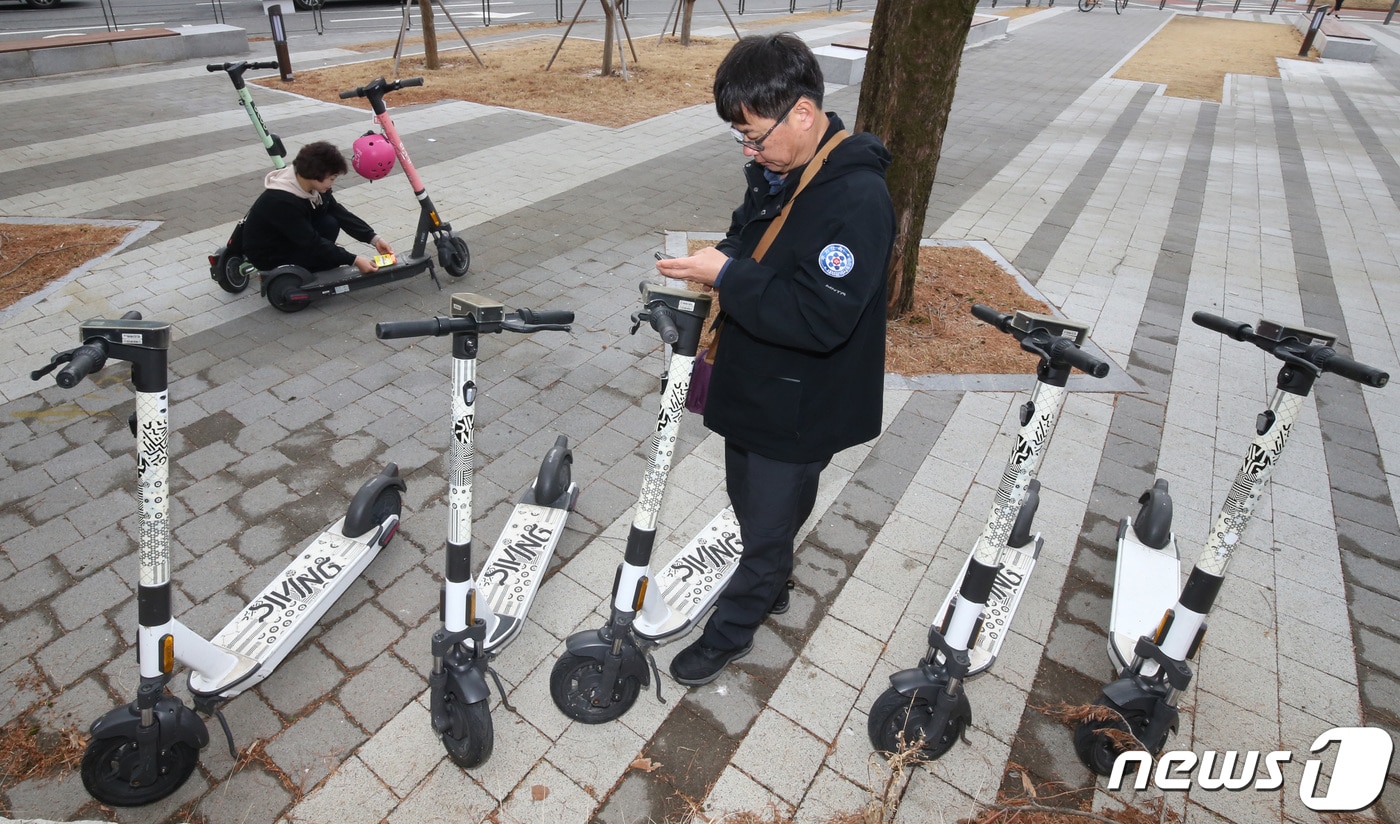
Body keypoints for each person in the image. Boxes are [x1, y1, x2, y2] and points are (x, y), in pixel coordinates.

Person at [655, 33, 895, 686]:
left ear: (804, 113)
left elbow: (820, 317)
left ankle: (732, 630)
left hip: (799, 404)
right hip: (759, 386)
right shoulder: (781, 170)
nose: (749, 151)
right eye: (741, 138)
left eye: (754, 136)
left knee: (762, 529)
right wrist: (719, 262)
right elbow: (747, 233)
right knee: (756, 505)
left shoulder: (857, 200)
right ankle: (773, 574)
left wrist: (728, 277)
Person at [241, 140, 393, 274]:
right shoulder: (282, 201)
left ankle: (317, 260)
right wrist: (354, 260)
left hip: (288, 237)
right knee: (329, 260)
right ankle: (283, 272)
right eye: (332, 178)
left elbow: (338, 212)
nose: (332, 184)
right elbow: (311, 241)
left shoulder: (309, 184)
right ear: (316, 174)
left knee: (330, 222)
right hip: (269, 255)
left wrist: (373, 238)